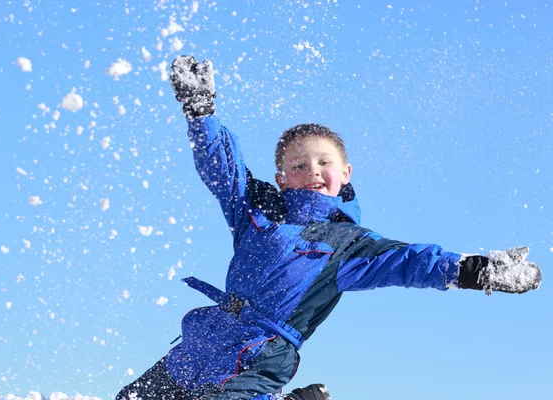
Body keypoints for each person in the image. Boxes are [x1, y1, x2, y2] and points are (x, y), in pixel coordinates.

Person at [116, 56, 542, 400]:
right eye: (298, 166)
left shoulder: (348, 244)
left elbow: (410, 261)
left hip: (262, 351)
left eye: (324, 163)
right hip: (207, 338)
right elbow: (221, 168)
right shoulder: (257, 210)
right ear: (282, 178)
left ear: (346, 172)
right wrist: (201, 113)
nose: (313, 171)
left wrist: (476, 270)